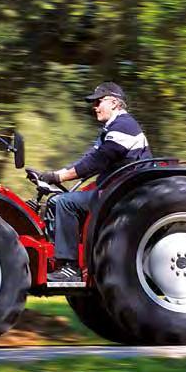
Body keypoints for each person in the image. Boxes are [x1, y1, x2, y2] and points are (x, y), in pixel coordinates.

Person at [29, 82, 152, 282]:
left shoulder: (125, 125)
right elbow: (88, 159)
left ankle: (70, 267)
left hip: (124, 196)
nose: (94, 106)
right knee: (55, 201)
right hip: (113, 191)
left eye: (98, 101)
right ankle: (57, 260)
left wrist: (58, 177)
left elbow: (98, 161)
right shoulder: (110, 129)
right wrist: (53, 174)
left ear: (114, 103)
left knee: (65, 203)